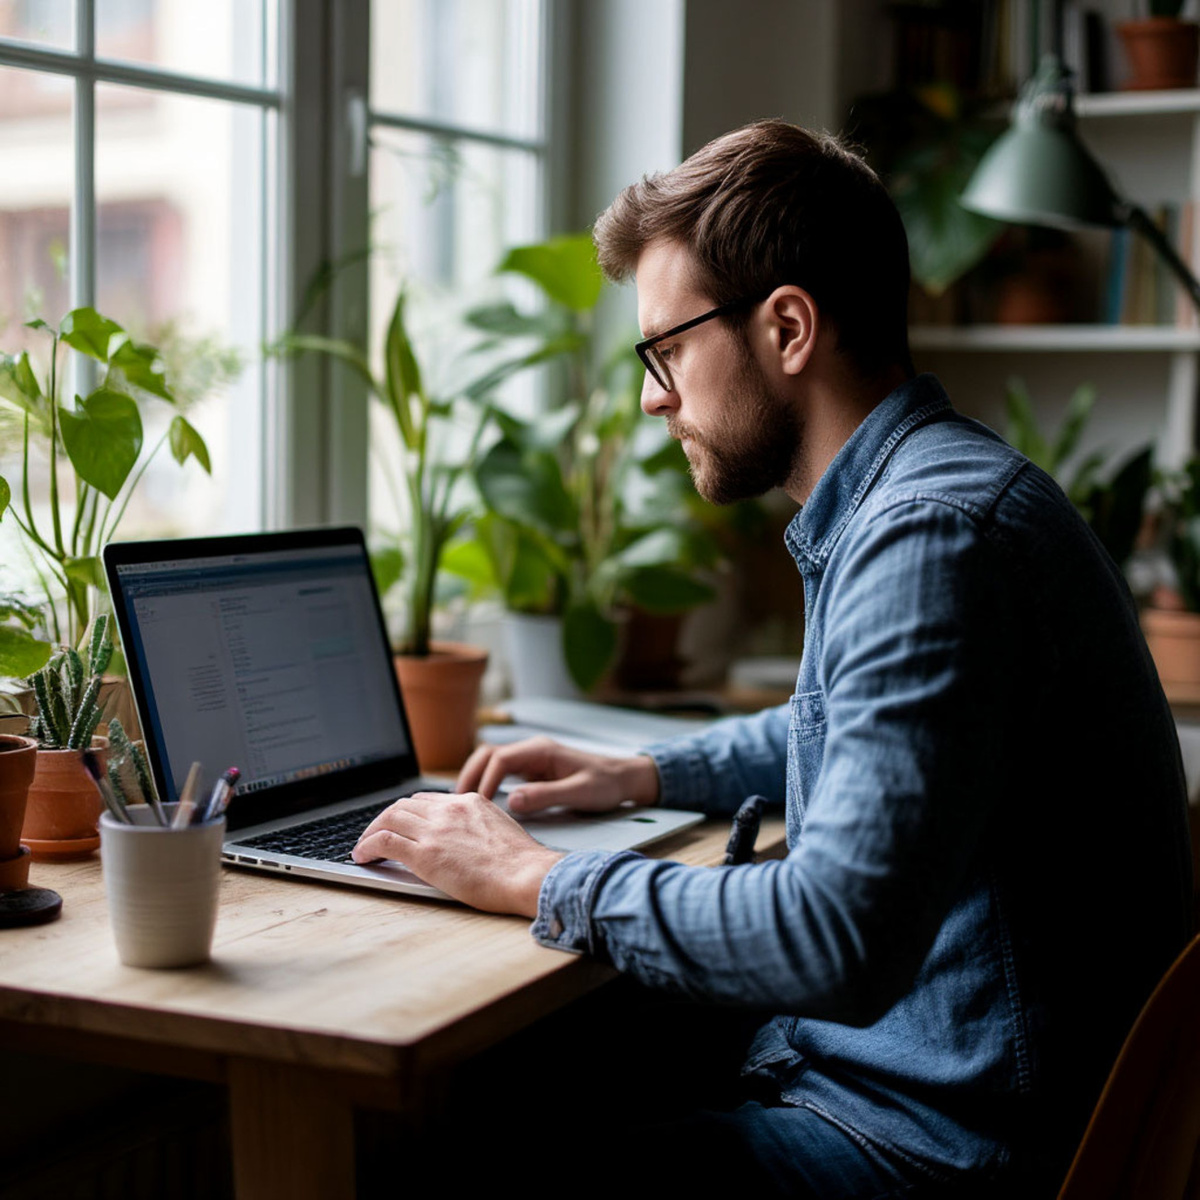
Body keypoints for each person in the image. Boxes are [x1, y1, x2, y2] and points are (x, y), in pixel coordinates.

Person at [353, 120, 1193, 1196]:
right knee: (523, 1081)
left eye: (667, 350)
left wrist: (535, 873)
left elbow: (831, 936)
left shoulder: (929, 536)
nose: (654, 395)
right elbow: (848, 722)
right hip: (941, 1095)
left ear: (788, 327)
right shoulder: (931, 496)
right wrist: (646, 775)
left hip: (942, 1147)